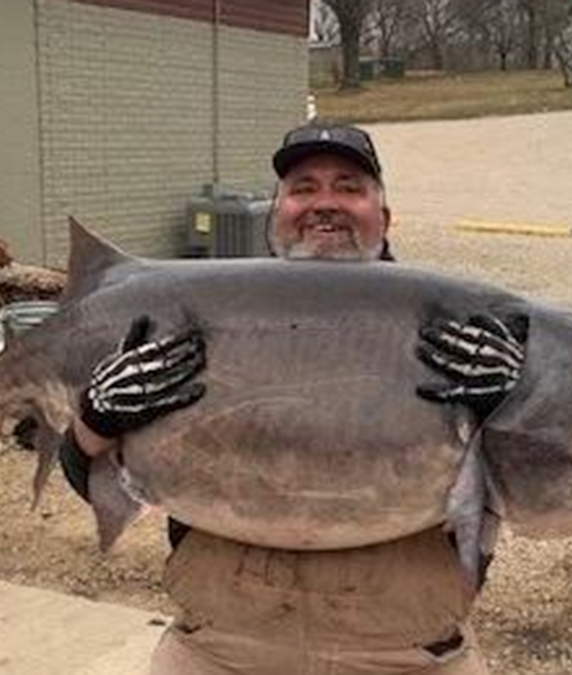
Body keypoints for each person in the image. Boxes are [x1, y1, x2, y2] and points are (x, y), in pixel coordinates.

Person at [60, 122, 527, 674]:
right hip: (218, 649)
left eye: (349, 186)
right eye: (303, 187)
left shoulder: (462, 332)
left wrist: (519, 410)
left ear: (385, 215)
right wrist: (96, 418)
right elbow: (91, 474)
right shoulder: (187, 320)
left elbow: (542, 494)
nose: (324, 203)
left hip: (406, 656)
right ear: (273, 214)